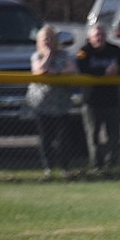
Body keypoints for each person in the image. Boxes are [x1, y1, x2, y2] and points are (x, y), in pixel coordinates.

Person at [28, 24, 79, 178]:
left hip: (61, 103)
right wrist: (48, 55)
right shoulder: (36, 56)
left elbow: (73, 70)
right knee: (46, 138)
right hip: (41, 103)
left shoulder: (65, 55)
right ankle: (48, 168)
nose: (48, 41)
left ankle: (65, 168)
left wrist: (57, 73)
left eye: (51, 38)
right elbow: (39, 70)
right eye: (45, 39)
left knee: (63, 138)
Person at [76, 24, 120, 172]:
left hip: (112, 100)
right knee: (93, 136)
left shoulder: (115, 50)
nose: (99, 38)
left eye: (102, 35)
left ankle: (112, 165)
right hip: (91, 101)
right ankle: (96, 165)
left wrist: (118, 70)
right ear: (90, 38)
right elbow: (81, 67)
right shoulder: (84, 51)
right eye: (96, 36)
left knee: (114, 136)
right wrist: (103, 72)